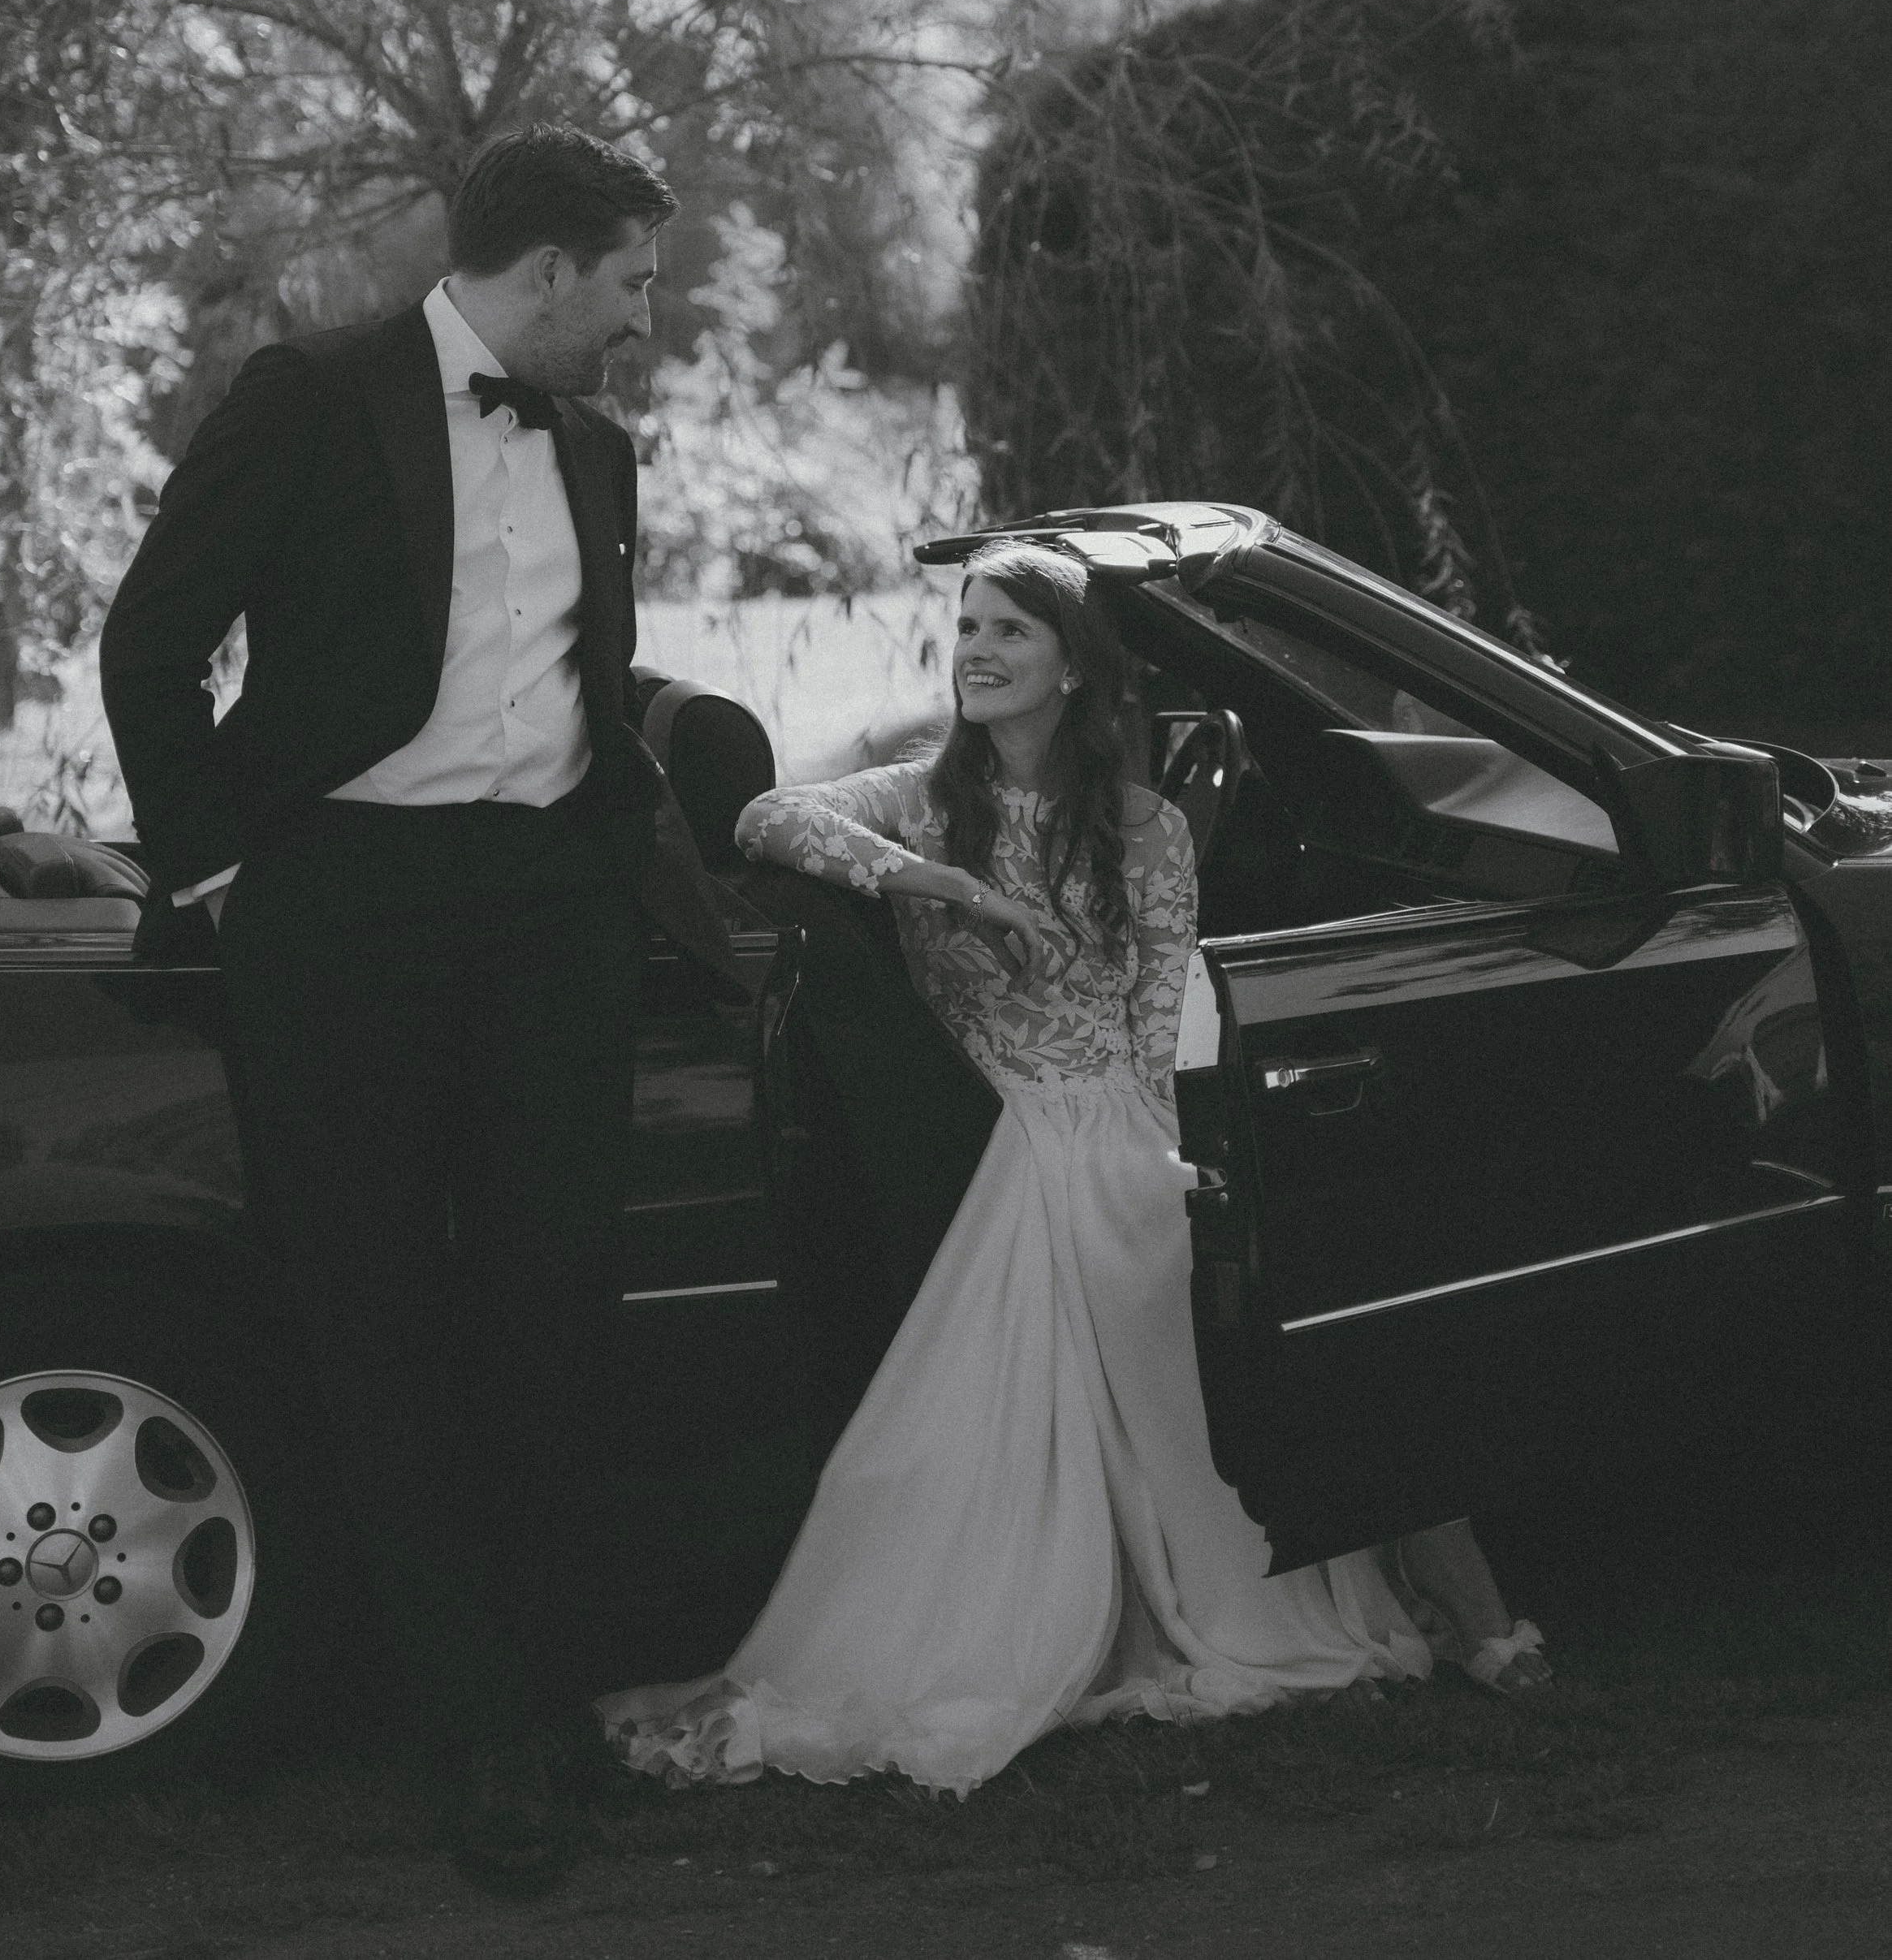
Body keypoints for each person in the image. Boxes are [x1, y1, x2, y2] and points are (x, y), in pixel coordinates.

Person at [602, 539, 1544, 1795]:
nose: (979, 653)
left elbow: (1157, 1018)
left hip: (1114, 1130)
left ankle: (1457, 1604)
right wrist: (948, 888)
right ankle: (1465, 1617)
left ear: (1074, 673)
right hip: (1000, 1140)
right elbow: (768, 816)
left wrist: (1177, 1157)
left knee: (1270, 1285)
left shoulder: (1145, 830)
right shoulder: (922, 800)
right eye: (969, 628)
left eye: (1011, 633)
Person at [101, 124, 736, 1893]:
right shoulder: (310, 397)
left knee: (552, 1315)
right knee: (374, 1325)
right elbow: (150, 646)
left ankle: (540, 1694)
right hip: (346, 926)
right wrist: (222, 877)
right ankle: (474, 1738)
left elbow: (590, 700)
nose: (638, 321)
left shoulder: (599, 453)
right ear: (544, 274)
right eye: (628, 284)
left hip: (549, 926)